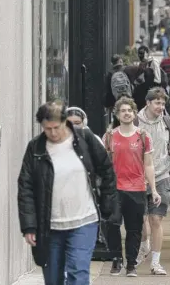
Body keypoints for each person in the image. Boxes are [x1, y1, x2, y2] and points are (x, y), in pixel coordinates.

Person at [18, 101, 117, 285]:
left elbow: (107, 171)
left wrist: (107, 205)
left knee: (78, 273)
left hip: (84, 221)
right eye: (47, 129)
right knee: (53, 278)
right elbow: (26, 187)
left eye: (56, 127)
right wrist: (29, 226)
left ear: (65, 122)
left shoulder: (85, 139)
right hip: (50, 226)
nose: (53, 133)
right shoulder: (36, 148)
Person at [104, 97, 161, 277]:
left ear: (135, 113)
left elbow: (149, 164)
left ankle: (131, 264)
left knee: (134, 229)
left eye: (130, 110)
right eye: (123, 110)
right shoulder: (110, 136)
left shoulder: (143, 136)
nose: (127, 113)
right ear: (117, 114)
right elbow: (104, 164)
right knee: (112, 224)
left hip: (136, 189)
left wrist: (153, 189)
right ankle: (116, 259)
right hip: (115, 189)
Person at [136, 87, 170, 275]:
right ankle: (144, 245)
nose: (161, 106)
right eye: (157, 103)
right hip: (138, 178)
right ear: (147, 103)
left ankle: (156, 262)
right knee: (140, 220)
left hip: (161, 175)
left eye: (163, 103)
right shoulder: (135, 121)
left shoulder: (167, 122)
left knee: (156, 219)